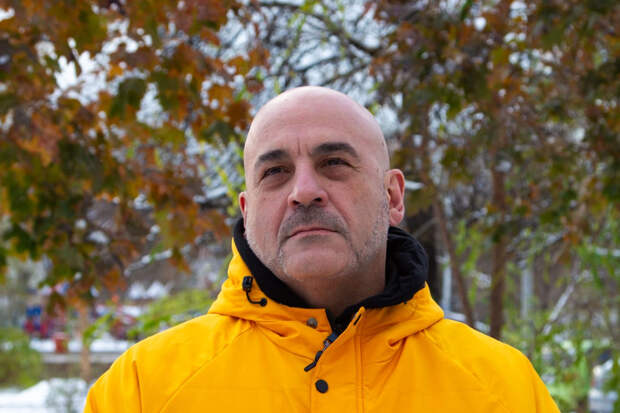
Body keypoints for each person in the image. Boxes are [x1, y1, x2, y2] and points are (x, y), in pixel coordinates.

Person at [84, 87, 560, 412]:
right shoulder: (144, 390)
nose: (304, 191)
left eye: (334, 163)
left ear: (393, 197)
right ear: (247, 213)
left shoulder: (504, 390)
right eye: (275, 172)